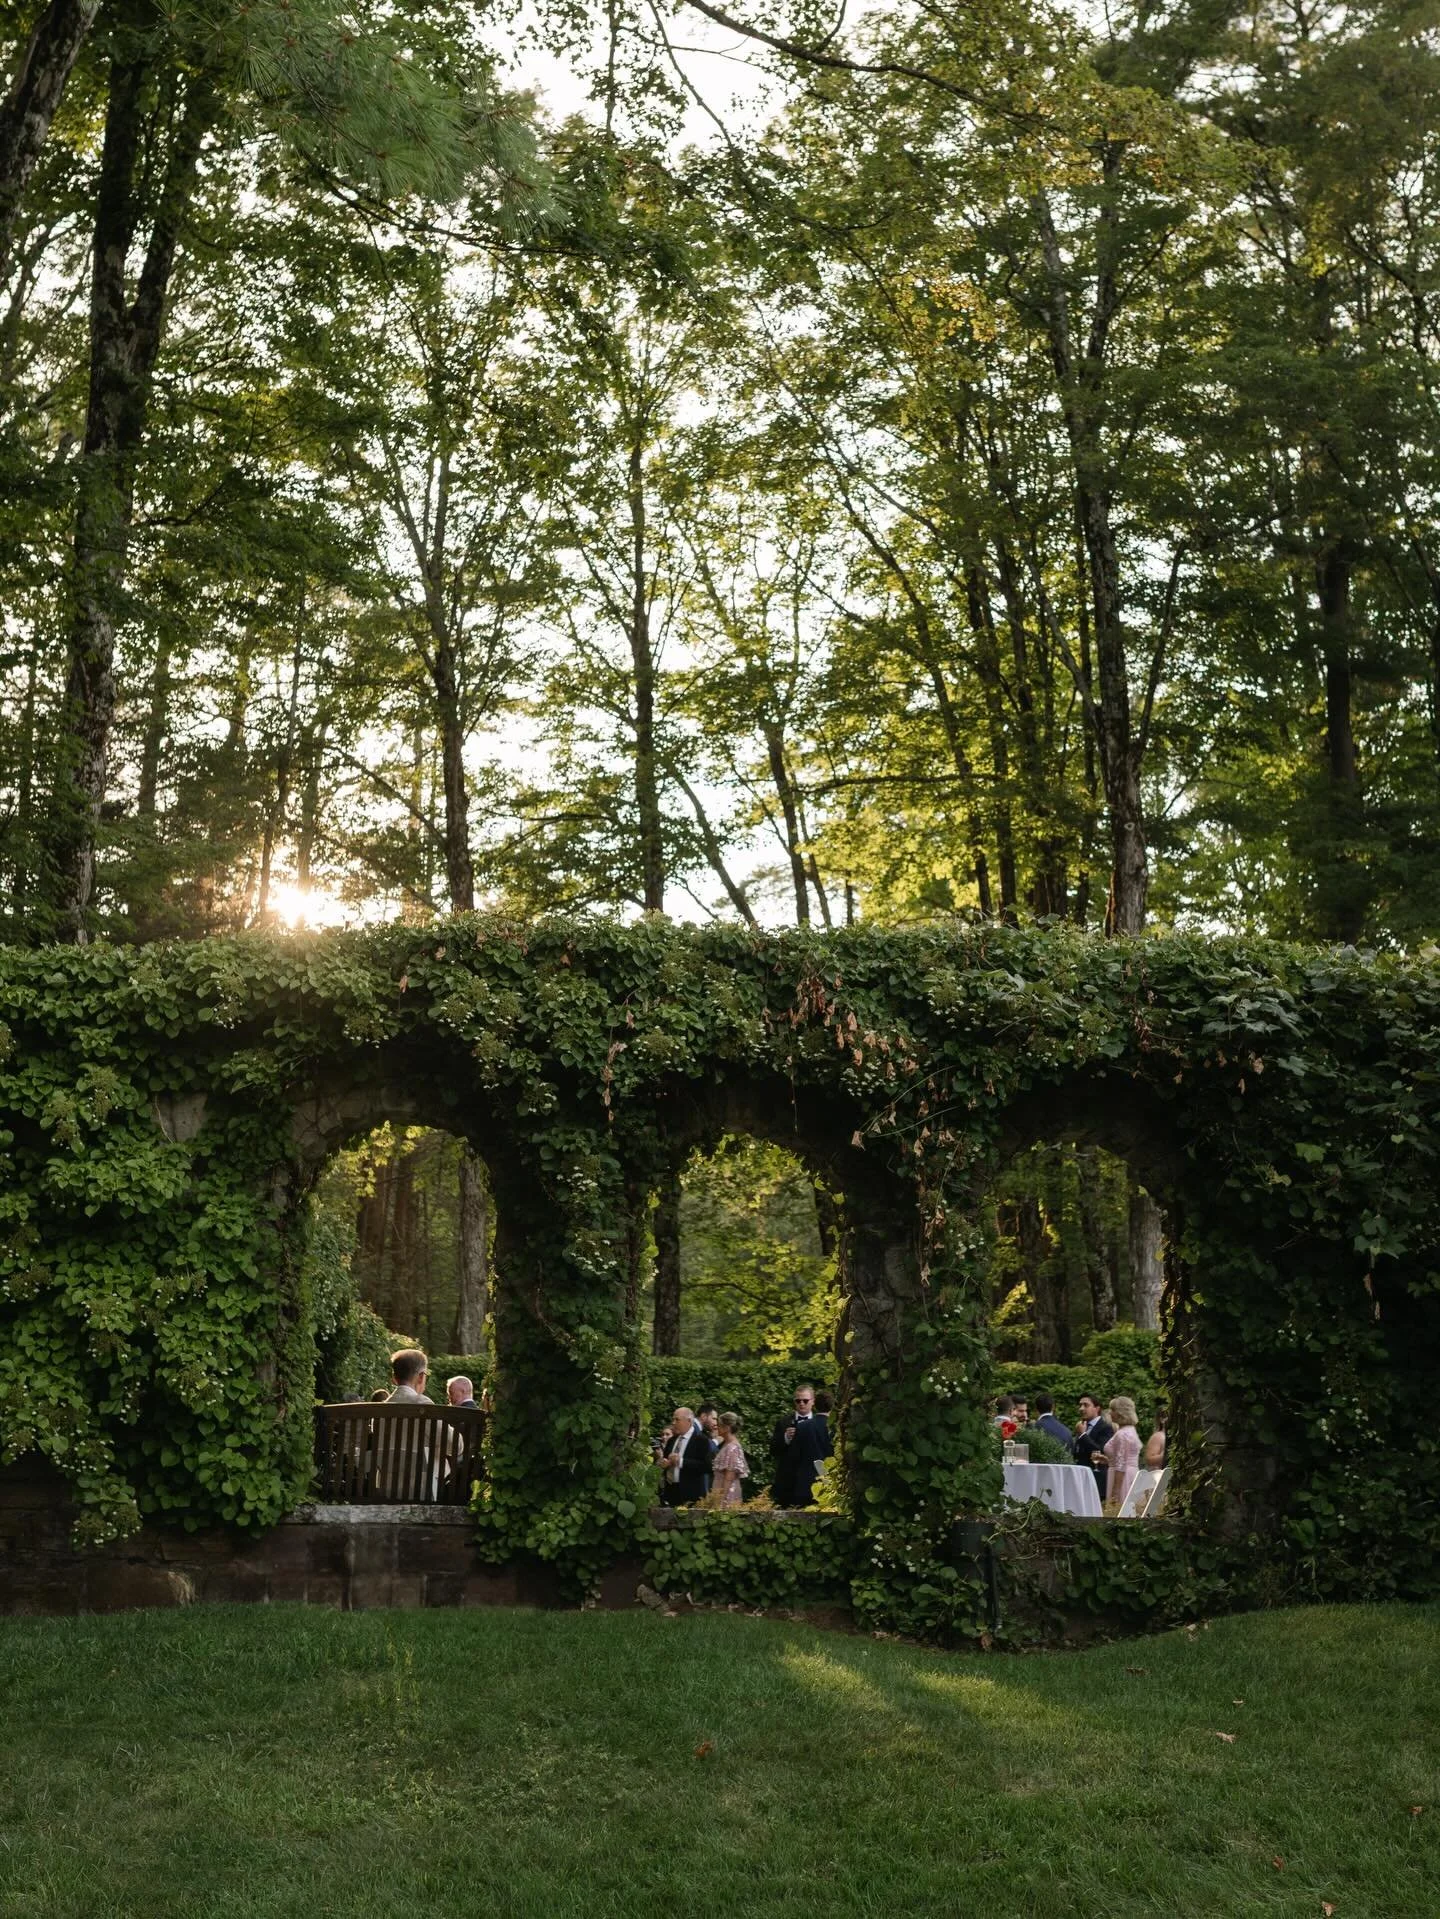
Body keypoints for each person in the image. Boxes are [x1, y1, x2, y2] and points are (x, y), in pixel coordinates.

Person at [770, 1383, 832, 1507]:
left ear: (813, 1402)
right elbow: (773, 1451)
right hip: (788, 1481)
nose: (801, 1403)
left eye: (805, 1400)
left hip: (815, 1479)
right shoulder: (783, 1422)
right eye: (798, 1401)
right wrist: (786, 1438)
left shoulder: (823, 1422)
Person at [660, 1406, 715, 1507]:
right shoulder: (672, 1440)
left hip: (691, 1494)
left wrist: (681, 1462)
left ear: (689, 1421)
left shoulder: (701, 1440)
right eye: (673, 1419)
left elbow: (707, 1466)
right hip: (671, 1492)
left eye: (677, 1419)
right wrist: (665, 1464)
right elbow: (666, 1461)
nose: (673, 1422)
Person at [1102, 1396, 1142, 1511]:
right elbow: (1124, 1457)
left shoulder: (1122, 1434)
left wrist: (1116, 1491)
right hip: (1130, 1474)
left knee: (1119, 1511)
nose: (1110, 1412)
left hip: (1122, 1478)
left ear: (1120, 1413)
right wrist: (1107, 1460)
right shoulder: (1130, 1430)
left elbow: (1121, 1464)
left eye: (1113, 1410)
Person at [1072, 1392, 1114, 1501]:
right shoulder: (1082, 1426)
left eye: (1086, 1405)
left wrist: (1082, 1435)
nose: (1081, 1408)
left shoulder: (1105, 1428)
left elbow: (1099, 1450)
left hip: (1097, 1482)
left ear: (1097, 1408)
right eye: (1080, 1405)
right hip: (1081, 1480)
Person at [712, 1412, 748, 1505]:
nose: (716, 1428)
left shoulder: (732, 1448)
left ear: (727, 1428)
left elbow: (729, 1477)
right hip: (719, 1489)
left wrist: (720, 1500)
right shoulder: (726, 1444)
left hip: (727, 1493)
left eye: (719, 1425)